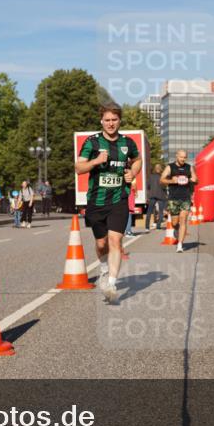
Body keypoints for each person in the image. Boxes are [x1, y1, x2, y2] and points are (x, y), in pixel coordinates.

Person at [74, 101, 141, 303]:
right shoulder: (92, 142)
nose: (111, 124)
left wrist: (132, 172)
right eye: (107, 120)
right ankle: (104, 268)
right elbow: (78, 167)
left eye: (114, 120)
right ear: (101, 121)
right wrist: (95, 161)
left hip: (119, 198)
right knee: (101, 243)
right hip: (96, 200)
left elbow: (137, 160)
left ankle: (111, 283)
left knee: (115, 241)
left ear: (119, 121)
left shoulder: (127, 143)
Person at [161, 150, 198, 252]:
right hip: (173, 198)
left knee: (183, 219)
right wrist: (171, 181)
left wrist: (192, 180)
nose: (183, 159)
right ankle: (176, 230)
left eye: (185, 157)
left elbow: (196, 179)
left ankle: (180, 245)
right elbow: (162, 180)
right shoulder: (170, 167)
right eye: (181, 157)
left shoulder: (189, 167)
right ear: (177, 156)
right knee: (174, 222)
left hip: (186, 197)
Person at [145, 163, 166, 231]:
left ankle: (147, 227)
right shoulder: (162, 177)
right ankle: (158, 227)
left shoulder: (151, 176)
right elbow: (164, 187)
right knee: (160, 211)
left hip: (152, 195)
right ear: (160, 170)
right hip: (160, 195)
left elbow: (148, 186)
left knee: (149, 211)